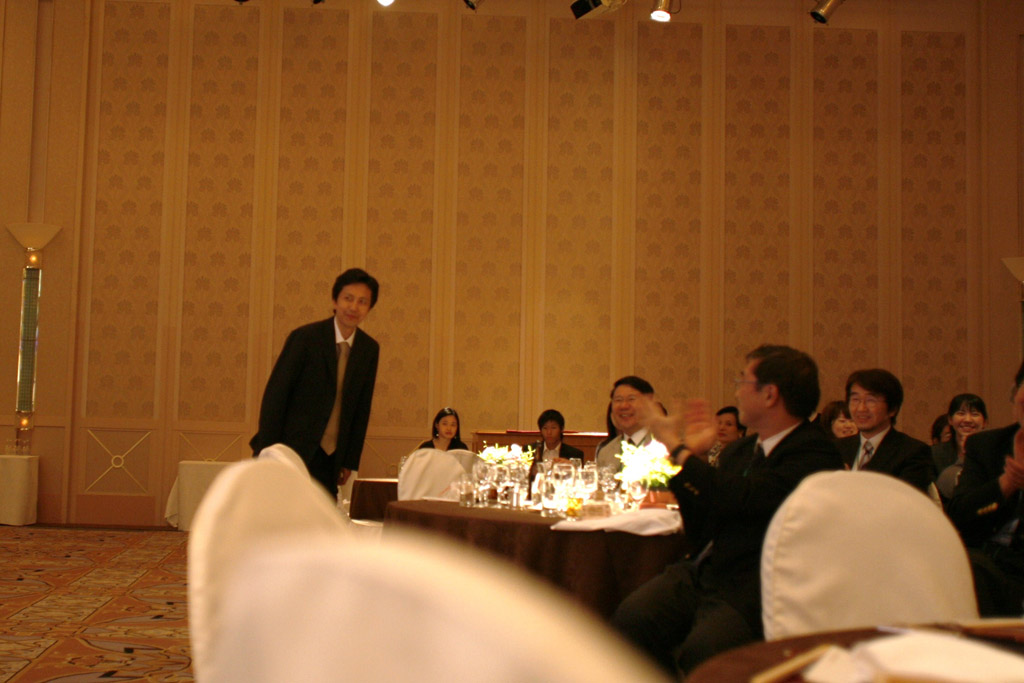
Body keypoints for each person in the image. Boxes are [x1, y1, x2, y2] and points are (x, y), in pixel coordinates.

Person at [611, 345, 843, 675]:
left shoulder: (814, 453)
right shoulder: (741, 450)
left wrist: (677, 448)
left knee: (704, 650)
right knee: (631, 619)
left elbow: (743, 497)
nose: (736, 392)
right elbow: (703, 521)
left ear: (769, 394)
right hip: (707, 569)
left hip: (758, 581)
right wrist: (694, 456)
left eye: (742, 382)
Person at [250, 268, 380, 498]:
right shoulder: (305, 338)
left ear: (369, 308)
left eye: (362, 302)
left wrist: (349, 460)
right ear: (335, 300)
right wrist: (266, 451)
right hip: (291, 449)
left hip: (332, 457)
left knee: (322, 514)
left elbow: (362, 407)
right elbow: (276, 396)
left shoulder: (369, 349)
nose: (353, 307)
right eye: (348, 298)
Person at [948, 361, 1024, 616]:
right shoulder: (987, 445)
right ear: (1014, 396)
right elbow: (959, 516)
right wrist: (1005, 484)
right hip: (989, 557)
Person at [835, 368, 935, 493]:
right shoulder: (836, 449)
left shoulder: (913, 452)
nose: (861, 408)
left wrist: (850, 485)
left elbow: (906, 499)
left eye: (871, 400)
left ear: (892, 409)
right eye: (855, 400)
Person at [595, 376, 657, 471]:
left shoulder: (663, 447)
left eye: (631, 399)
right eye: (618, 400)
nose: (624, 406)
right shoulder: (606, 452)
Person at [933, 393, 988, 475]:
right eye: (961, 413)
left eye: (974, 414)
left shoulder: (995, 453)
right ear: (950, 419)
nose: (968, 420)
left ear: (985, 422)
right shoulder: (935, 453)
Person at [528, 409, 584, 478]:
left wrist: (570, 468)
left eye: (553, 428)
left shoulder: (575, 454)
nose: (549, 432)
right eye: (545, 428)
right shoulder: (530, 451)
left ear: (561, 429)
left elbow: (579, 478)